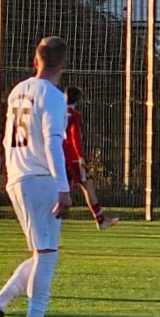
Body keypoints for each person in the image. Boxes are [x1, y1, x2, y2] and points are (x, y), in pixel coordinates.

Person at [0, 36, 72, 317]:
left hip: (18, 176)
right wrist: (63, 187)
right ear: (65, 64)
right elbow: (53, 142)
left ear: (36, 61)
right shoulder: (54, 96)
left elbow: (6, 139)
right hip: (41, 179)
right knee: (47, 257)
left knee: (41, 253)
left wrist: (11, 173)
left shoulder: (18, 90)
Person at [64, 86, 118, 231]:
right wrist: (80, 156)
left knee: (57, 187)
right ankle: (100, 220)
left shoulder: (55, 112)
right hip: (72, 157)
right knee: (86, 185)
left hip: (57, 155)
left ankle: (41, 216)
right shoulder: (74, 115)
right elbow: (74, 137)